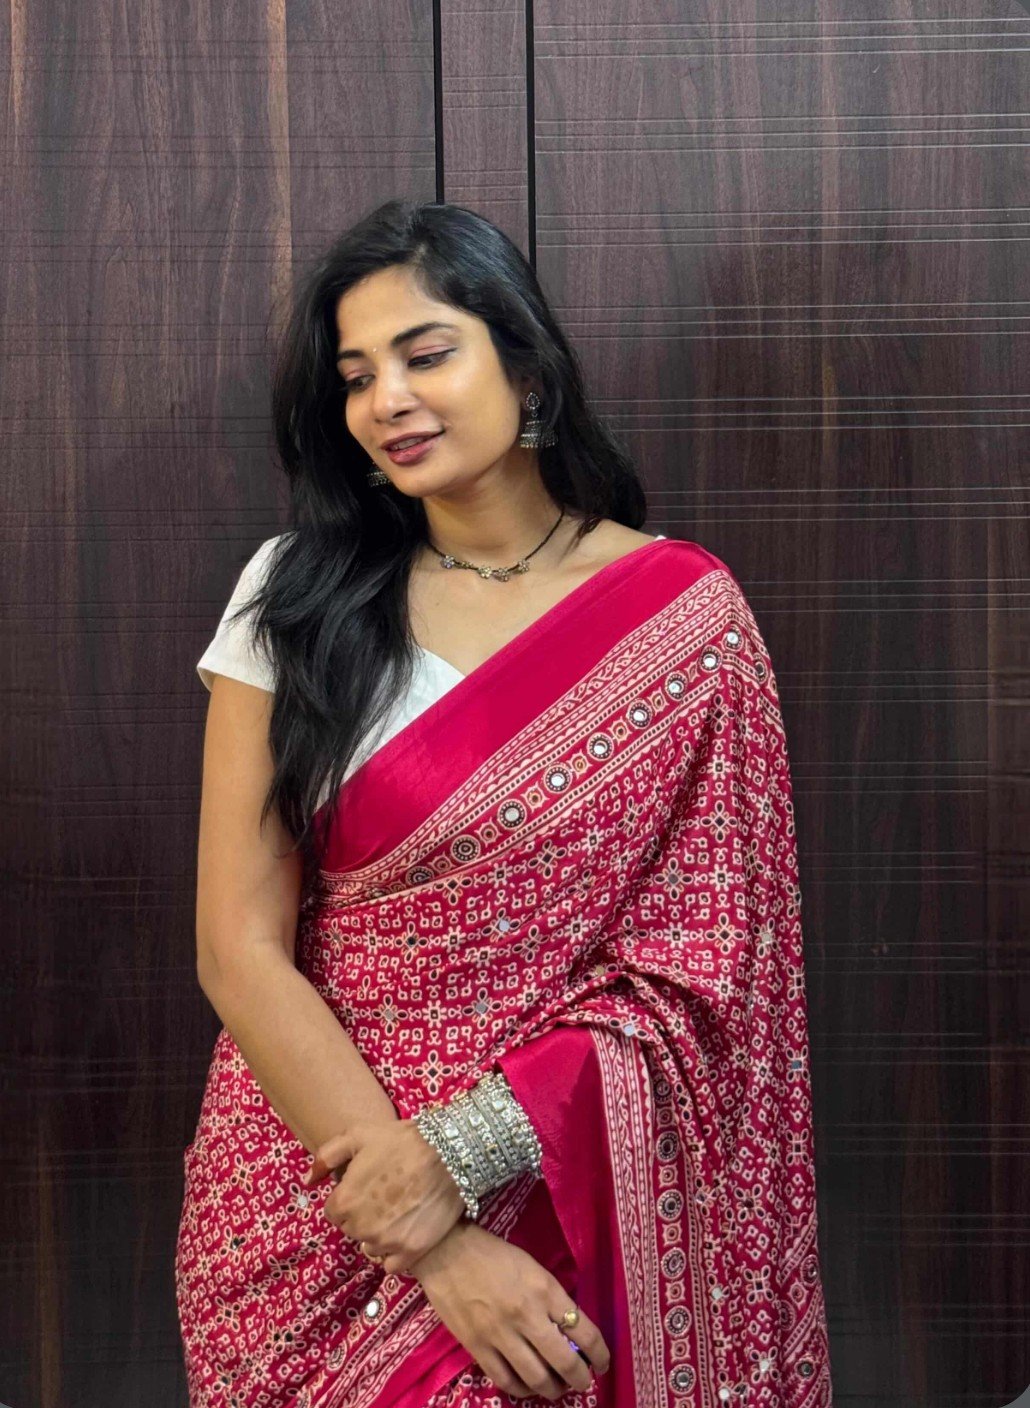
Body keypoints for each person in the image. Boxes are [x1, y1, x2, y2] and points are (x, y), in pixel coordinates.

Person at [175, 198, 833, 1408]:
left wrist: (468, 1153)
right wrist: (432, 1236)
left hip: (573, 1193)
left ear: (524, 367)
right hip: (313, 1191)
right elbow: (237, 945)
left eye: (425, 354)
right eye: (355, 377)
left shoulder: (682, 618)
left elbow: (704, 969)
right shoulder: (296, 595)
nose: (386, 401)